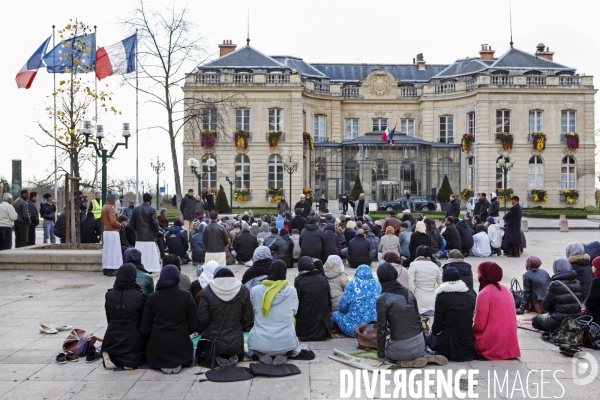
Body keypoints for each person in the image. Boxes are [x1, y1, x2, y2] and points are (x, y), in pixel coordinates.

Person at [372, 263, 443, 368]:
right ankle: (424, 354)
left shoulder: (382, 299)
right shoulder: (409, 293)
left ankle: (399, 362)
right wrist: (425, 346)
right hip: (419, 345)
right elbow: (419, 321)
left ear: (380, 278)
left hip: (400, 349)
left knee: (387, 348)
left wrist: (381, 358)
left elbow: (381, 330)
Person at [140, 265, 200, 374]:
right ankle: (175, 363)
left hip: (158, 349)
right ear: (176, 277)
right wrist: (182, 332)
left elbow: (145, 328)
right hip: (182, 349)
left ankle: (165, 363)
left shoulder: (153, 297)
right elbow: (194, 325)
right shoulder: (186, 296)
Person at [197, 267, 253, 367]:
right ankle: (232, 355)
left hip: (214, 343)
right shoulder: (244, 290)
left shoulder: (207, 291)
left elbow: (203, 319)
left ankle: (219, 356)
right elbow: (247, 319)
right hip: (236, 342)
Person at [248, 260, 301, 365]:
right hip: (286, 342)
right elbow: (294, 311)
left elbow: (252, 312)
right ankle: (285, 354)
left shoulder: (255, 290)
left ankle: (260, 353)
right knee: (293, 342)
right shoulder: (291, 291)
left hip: (259, 343)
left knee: (252, 341)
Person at [101, 264, 147, 370]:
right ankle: (128, 362)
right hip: (133, 335)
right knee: (139, 350)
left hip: (112, 335)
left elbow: (109, 318)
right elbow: (144, 320)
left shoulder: (109, 295)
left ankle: (111, 357)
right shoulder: (140, 295)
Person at [426, 266, 476, 362]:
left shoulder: (442, 297)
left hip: (449, 345)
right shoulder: (470, 294)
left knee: (426, 337)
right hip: (468, 344)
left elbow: (437, 328)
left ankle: (429, 354)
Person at [472, 262, 520, 360]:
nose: (478, 276)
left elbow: (479, 326)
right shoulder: (506, 290)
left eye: (479, 273)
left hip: (492, 345)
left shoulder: (484, 293)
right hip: (510, 345)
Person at [532, 259, 583, 332]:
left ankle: (556, 332)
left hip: (559, 321)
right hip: (577, 320)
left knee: (535, 320)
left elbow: (545, 306)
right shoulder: (577, 282)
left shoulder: (555, 284)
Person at [332, 265, 381, 337]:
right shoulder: (377, 286)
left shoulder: (352, 285)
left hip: (353, 330)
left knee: (335, 314)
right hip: (374, 329)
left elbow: (342, 308)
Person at [295, 257, 332, 341]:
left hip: (304, 329)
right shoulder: (323, 278)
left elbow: (296, 303)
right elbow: (329, 301)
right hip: (323, 328)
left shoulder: (299, 281)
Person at [129, 193, 161, 273]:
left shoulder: (136, 209)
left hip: (139, 236)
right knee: (150, 254)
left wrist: (136, 231)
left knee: (140, 254)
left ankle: (140, 268)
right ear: (150, 200)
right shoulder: (151, 209)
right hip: (149, 236)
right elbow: (155, 223)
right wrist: (156, 231)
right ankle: (150, 269)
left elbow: (131, 223)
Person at [408, 246, 442, 314]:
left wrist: (411, 298)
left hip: (419, 298)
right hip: (433, 300)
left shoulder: (413, 265)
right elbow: (441, 284)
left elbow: (410, 284)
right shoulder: (435, 266)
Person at [100, 193, 124, 276]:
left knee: (107, 250)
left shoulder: (104, 207)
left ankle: (106, 268)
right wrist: (120, 225)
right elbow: (113, 221)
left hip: (106, 231)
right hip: (112, 231)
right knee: (113, 250)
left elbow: (102, 220)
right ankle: (111, 269)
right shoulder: (110, 208)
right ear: (112, 200)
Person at [584, 257, 600, 325]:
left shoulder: (597, 282)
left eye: (594, 265)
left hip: (597, 321)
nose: (592, 268)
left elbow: (590, 304)